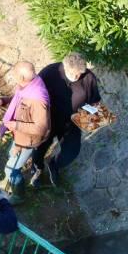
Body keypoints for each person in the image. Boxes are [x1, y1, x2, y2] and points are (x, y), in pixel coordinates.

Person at [30, 52, 101, 187]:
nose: (76, 77)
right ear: (64, 67)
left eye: (79, 74)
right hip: (48, 119)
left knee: (72, 151)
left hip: (71, 121)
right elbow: (32, 91)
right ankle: (37, 168)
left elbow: (94, 101)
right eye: (73, 74)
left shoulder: (89, 78)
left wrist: (93, 119)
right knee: (39, 147)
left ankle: (54, 165)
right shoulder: (51, 72)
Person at [0, 61, 50, 200]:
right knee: (11, 155)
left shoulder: (37, 99)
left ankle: (18, 195)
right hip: (20, 136)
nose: (13, 76)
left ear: (22, 78)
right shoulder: (30, 85)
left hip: (28, 140)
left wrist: (15, 125)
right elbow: (20, 101)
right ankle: (9, 182)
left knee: (11, 169)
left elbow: (41, 128)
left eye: (15, 74)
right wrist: (4, 101)